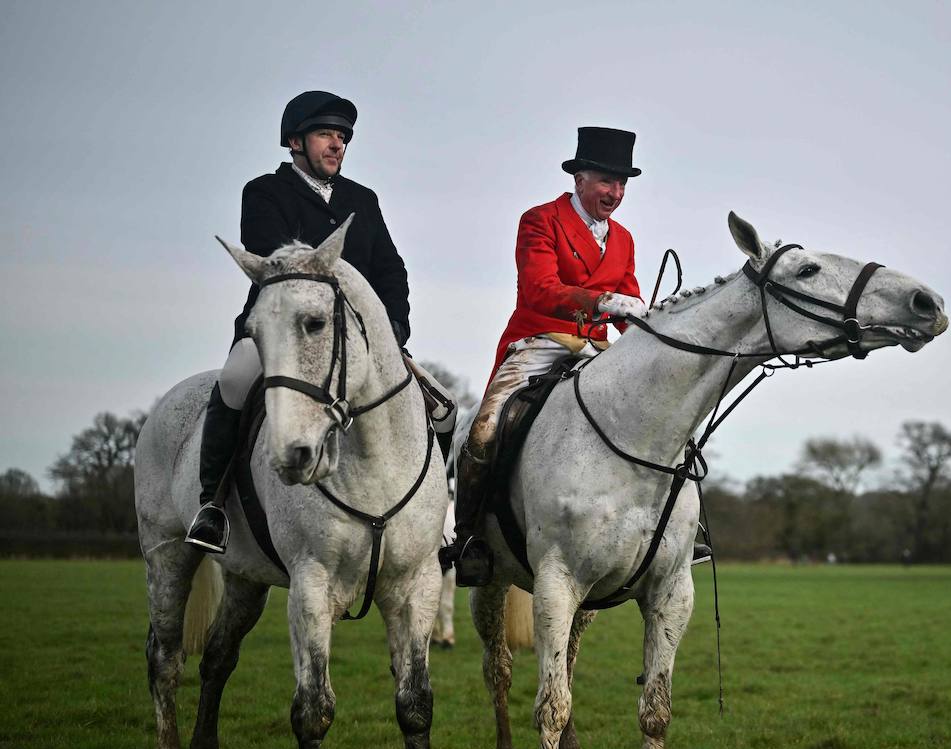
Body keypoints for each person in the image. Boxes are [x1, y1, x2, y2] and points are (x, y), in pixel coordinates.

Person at [186, 90, 453, 552]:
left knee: (444, 409)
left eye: (342, 138)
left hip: (360, 340)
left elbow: (391, 269)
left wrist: (394, 328)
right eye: (326, 135)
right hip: (285, 334)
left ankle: (435, 514)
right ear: (295, 142)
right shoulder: (264, 192)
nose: (337, 145)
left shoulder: (362, 199)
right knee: (234, 380)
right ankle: (212, 504)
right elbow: (279, 260)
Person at [440, 126, 651, 585]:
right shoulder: (540, 220)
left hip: (597, 349)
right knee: (483, 430)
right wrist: (602, 301)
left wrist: (650, 332)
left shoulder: (624, 239)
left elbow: (629, 307)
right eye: (606, 181)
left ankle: (662, 532)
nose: (615, 193)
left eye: (621, 184)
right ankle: (469, 535)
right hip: (539, 341)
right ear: (579, 179)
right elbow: (539, 289)